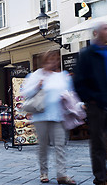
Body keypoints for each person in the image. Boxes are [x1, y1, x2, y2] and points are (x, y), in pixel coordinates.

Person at [73, 22, 107, 185]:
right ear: (96, 33)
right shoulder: (88, 54)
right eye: (106, 28)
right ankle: (101, 177)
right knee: (97, 141)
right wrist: (90, 98)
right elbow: (78, 81)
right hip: (97, 105)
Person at [22, 51, 76, 184]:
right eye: (51, 59)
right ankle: (43, 172)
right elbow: (25, 93)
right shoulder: (37, 74)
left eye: (56, 60)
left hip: (58, 116)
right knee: (43, 146)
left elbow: (70, 93)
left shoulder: (62, 76)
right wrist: (37, 86)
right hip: (41, 115)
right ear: (45, 61)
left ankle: (61, 174)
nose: (54, 62)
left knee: (60, 145)